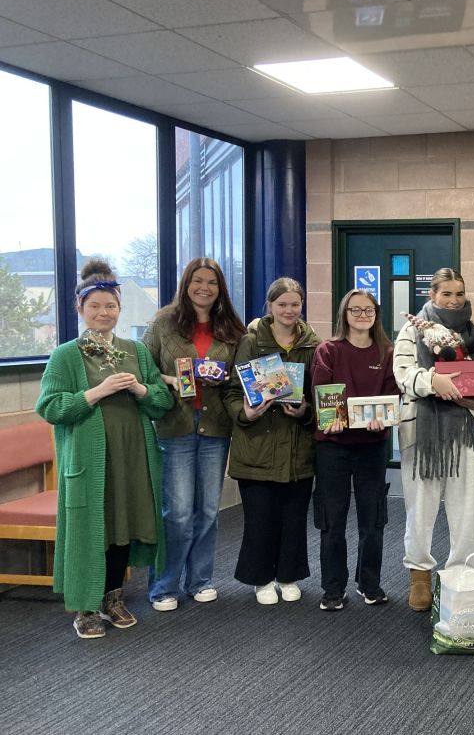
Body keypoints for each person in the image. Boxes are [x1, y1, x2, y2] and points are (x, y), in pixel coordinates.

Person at [36, 259, 174, 639]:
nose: (103, 313)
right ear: (80, 308)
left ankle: (113, 597)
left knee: (121, 527)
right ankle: (85, 607)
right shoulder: (66, 355)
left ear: (119, 309)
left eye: (110, 305)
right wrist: (97, 392)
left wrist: (141, 389)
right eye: (94, 306)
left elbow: (161, 401)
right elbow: (49, 407)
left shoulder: (134, 349)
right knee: (89, 528)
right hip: (88, 460)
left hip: (131, 458)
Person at [393, 268, 474, 611]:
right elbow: (402, 373)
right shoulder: (412, 329)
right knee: (420, 506)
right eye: (446, 294)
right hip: (423, 432)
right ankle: (420, 575)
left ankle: (461, 574)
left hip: (469, 430)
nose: (454, 300)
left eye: (459, 294)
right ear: (431, 296)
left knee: (468, 507)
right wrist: (431, 382)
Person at [143, 257, 245, 611]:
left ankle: (200, 579)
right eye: (198, 281)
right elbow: (143, 369)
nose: (204, 288)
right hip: (175, 425)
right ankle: (164, 585)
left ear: (220, 289)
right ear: (186, 284)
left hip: (216, 425)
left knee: (208, 510)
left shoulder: (232, 328)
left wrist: (225, 380)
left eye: (212, 283)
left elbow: (242, 377)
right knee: (178, 512)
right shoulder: (163, 323)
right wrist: (171, 380)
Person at [224, 278, 319, 605]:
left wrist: (305, 411)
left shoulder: (312, 344)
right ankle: (261, 578)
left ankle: (288, 574)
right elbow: (234, 392)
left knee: (294, 517)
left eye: (295, 304)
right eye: (282, 305)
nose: (289, 310)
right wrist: (245, 413)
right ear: (270, 306)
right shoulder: (250, 341)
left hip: (297, 447)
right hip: (258, 445)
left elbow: (319, 394)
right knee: (260, 518)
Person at [311, 290, 398, 610]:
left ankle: (369, 583)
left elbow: (392, 398)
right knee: (332, 521)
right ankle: (333, 588)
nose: (363, 315)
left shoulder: (387, 352)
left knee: (373, 520)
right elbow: (322, 395)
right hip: (333, 447)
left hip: (372, 447)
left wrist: (383, 422)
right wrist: (329, 420)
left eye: (369, 309)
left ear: (376, 313)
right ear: (344, 314)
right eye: (355, 310)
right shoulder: (328, 351)